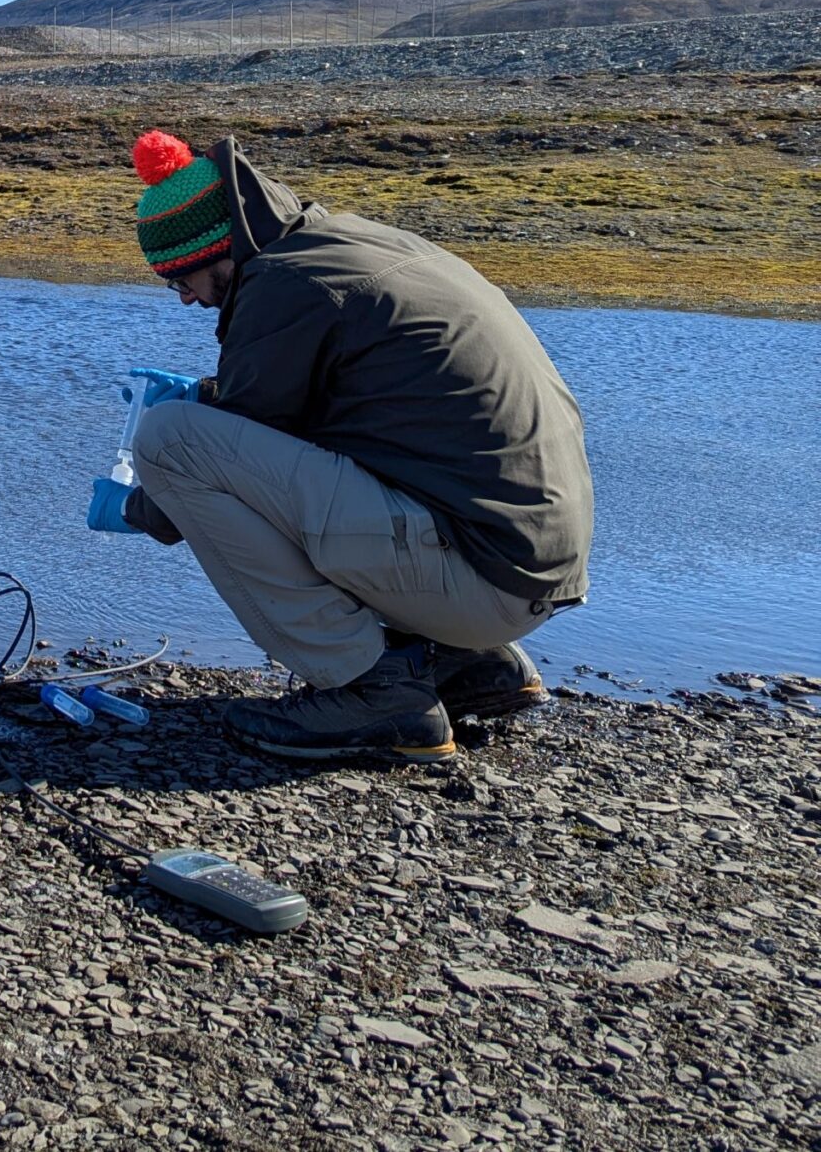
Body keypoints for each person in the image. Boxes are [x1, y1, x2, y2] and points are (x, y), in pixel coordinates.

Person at [88, 130, 593, 762]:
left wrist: (135, 506)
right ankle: (464, 661)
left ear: (214, 249)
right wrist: (215, 398)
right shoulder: (352, 245)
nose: (186, 298)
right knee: (228, 438)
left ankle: (372, 689)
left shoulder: (283, 287)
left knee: (167, 441)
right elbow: (317, 417)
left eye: (178, 280)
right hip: (528, 570)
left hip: (482, 582)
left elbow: (229, 448)